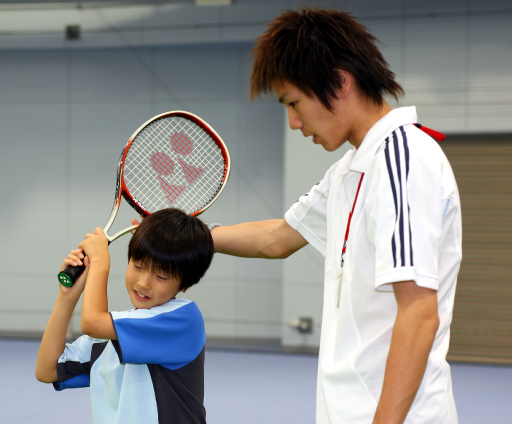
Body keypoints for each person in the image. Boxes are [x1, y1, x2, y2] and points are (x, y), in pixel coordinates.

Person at [211, 6, 461, 424]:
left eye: (294, 102)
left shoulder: (404, 160)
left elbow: (419, 313)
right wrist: (190, 235)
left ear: (340, 82)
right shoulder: (348, 170)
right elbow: (278, 237)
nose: (293, 122)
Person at [36, 208, 213, 424]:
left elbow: (92, 322)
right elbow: (47, 370)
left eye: (161, 275)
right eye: (138, 266)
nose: (143, 283)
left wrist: (100, 261)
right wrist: (67, 296)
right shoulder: (110, 334)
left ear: (185, 284)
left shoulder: (184, 321)